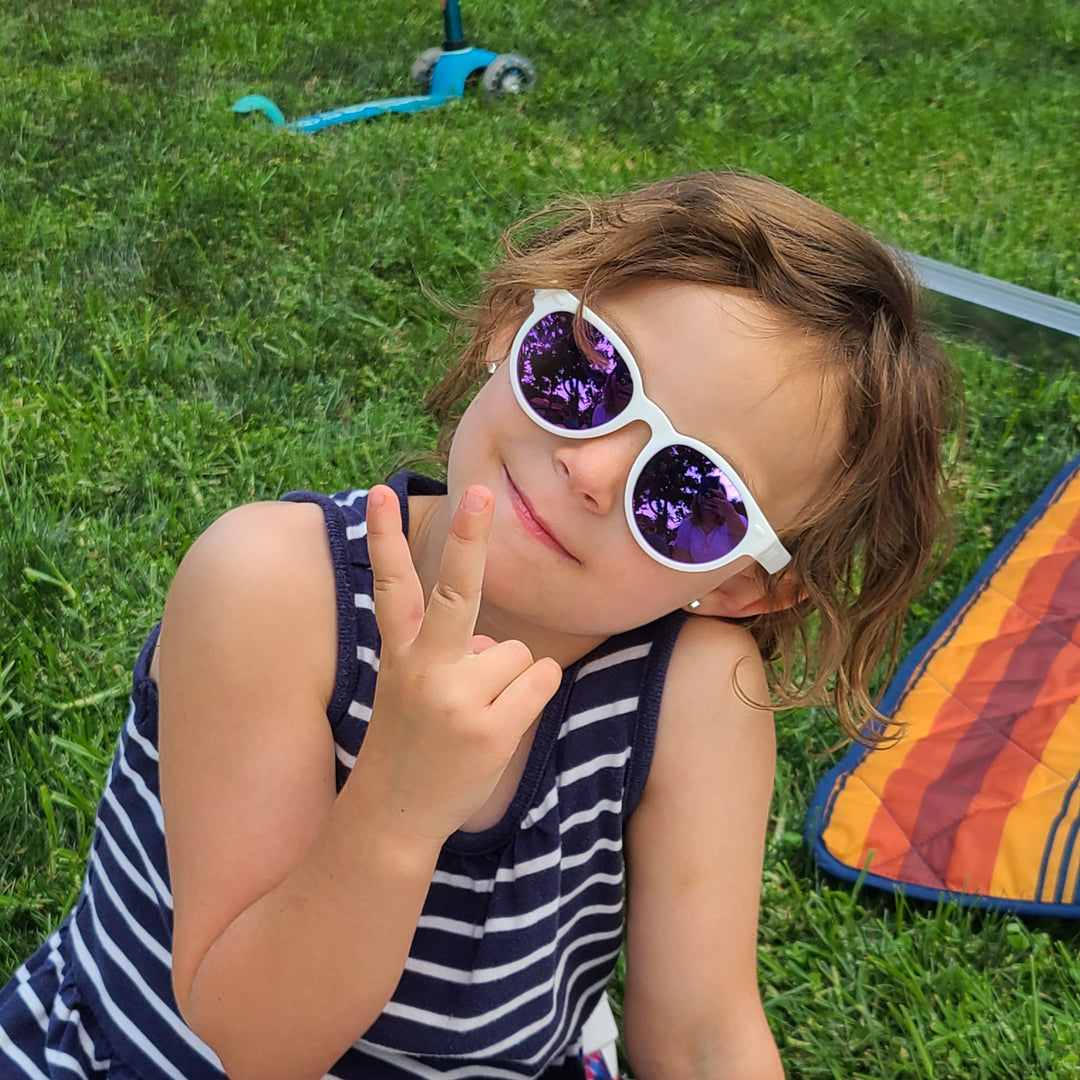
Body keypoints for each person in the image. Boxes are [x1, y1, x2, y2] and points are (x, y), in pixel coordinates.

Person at [0, 170, 956, 1080]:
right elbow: (246, 1049)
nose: (591, 470)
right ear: (514, 322)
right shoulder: (271, 592)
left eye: (689, 493)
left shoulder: (694, 700)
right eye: (588, 374)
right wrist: (400, 803)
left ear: (742, 587)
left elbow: (704, 1037)